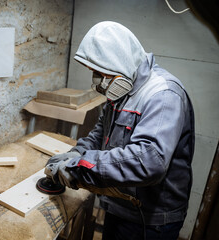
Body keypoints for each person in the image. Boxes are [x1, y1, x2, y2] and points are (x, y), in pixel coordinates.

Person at [44, 21, 195, 240]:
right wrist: (77, 153)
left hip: (149, 219)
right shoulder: (124, 88)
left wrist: (78, 168)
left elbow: (148, 162)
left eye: (99, 72)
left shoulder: (163, 95)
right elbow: (100, 133)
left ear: (119, 62)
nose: (98, 81)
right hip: (120, 203)